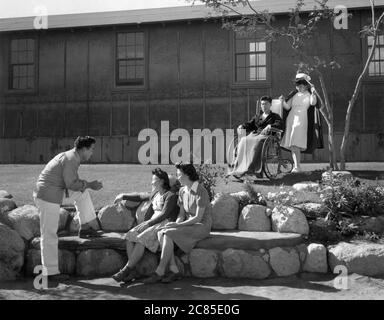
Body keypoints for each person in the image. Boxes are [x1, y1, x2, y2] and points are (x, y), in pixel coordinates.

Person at [33, 136, 103, 282]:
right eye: (92, 149)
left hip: (55, 191)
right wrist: (90, 184)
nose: (92, 153)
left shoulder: (73, 157)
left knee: (82, 193)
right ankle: (50, 273)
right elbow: (71, 183)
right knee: (49, 234)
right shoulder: (71, 159)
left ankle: (85, 226)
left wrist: (86, 186)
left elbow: (74, 185)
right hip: (47, 196)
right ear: (83, 149)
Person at [142, 163, 212, 284]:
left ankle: (159, 272)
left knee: (167, 232)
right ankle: (174, 270)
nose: (177, 177)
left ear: (187, 175)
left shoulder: (201, 191)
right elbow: (181, 214)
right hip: (188, 224)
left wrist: (177, 225)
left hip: (201, 226)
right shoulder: (182, 191)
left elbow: (197, 218)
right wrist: (176, 223)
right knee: (164, 231)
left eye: (179, 175)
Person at [111, 168, 179, 283]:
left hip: (161, 224)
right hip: (151, 223)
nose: (152, 182)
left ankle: (126, 270)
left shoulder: (170, 195)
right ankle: (131, 270)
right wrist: (123, 196)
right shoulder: (155, 194)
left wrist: (147, 223)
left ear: (162, 181)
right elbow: (140, 196)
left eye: (154, 180)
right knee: (129, 235)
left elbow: (164, 214)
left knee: (141, 238)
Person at [228, 96, 283, 179]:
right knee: (243, 139)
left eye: (266, 104)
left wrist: (270, 126)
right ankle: (238, 167)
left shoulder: (275, 116)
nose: (264, 106)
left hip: (267, 136)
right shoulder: (257, 116)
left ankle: (251, 168)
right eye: (262, 104)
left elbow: (280, 125)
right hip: (255, 134)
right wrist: (242, 126)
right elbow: (250, 124)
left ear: (270, 105)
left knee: (257, 141)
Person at [279, 73, 323, 173]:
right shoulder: (294, 94)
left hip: (301, 119)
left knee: (295, 143)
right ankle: (297, 166)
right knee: (293, 145)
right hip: (291, 118)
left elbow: (313, 103)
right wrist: (282, 101)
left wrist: (313, 92)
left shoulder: (309, 95)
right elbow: (287, 107)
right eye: (298, 84)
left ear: (306, 85)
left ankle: (297, 166)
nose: (299, 86)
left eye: (301, 84)